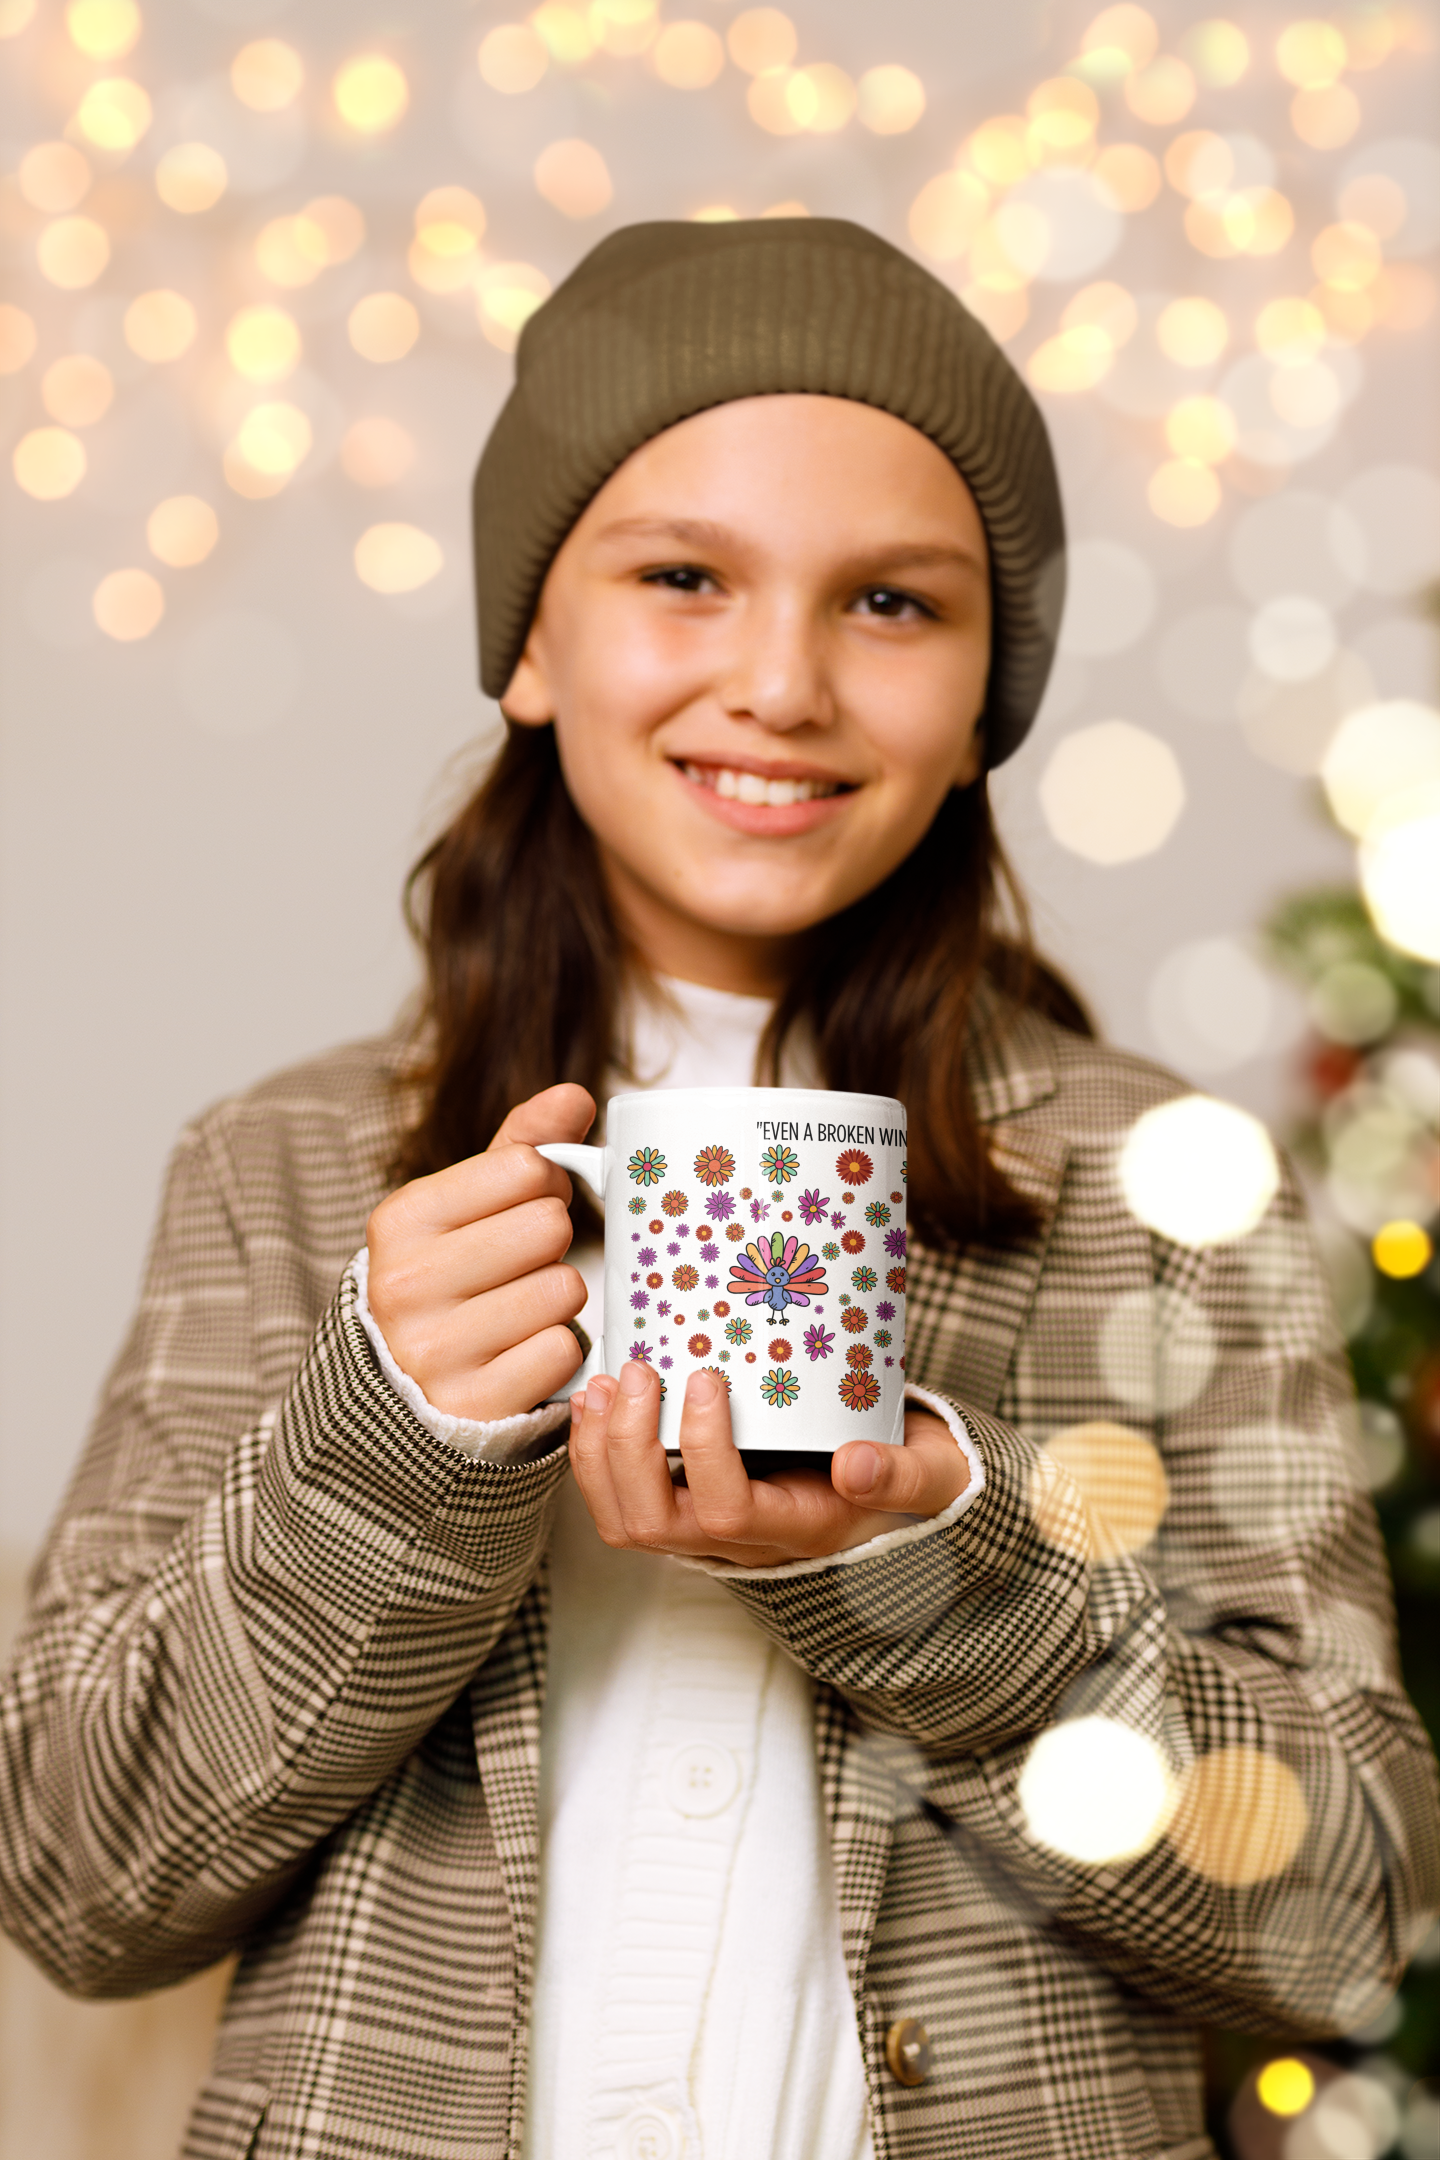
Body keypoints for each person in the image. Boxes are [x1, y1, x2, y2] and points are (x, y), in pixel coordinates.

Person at [0, 219, 1435, 2160]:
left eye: (893, 606)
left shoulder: (1164, 1192)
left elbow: (1350, 1916)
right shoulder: (285, 1172)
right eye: (684, 577)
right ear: (530, 639)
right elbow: (82, 1884)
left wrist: (940, 1568)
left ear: (987, 690)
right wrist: (390, 1441)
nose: (782, 682)